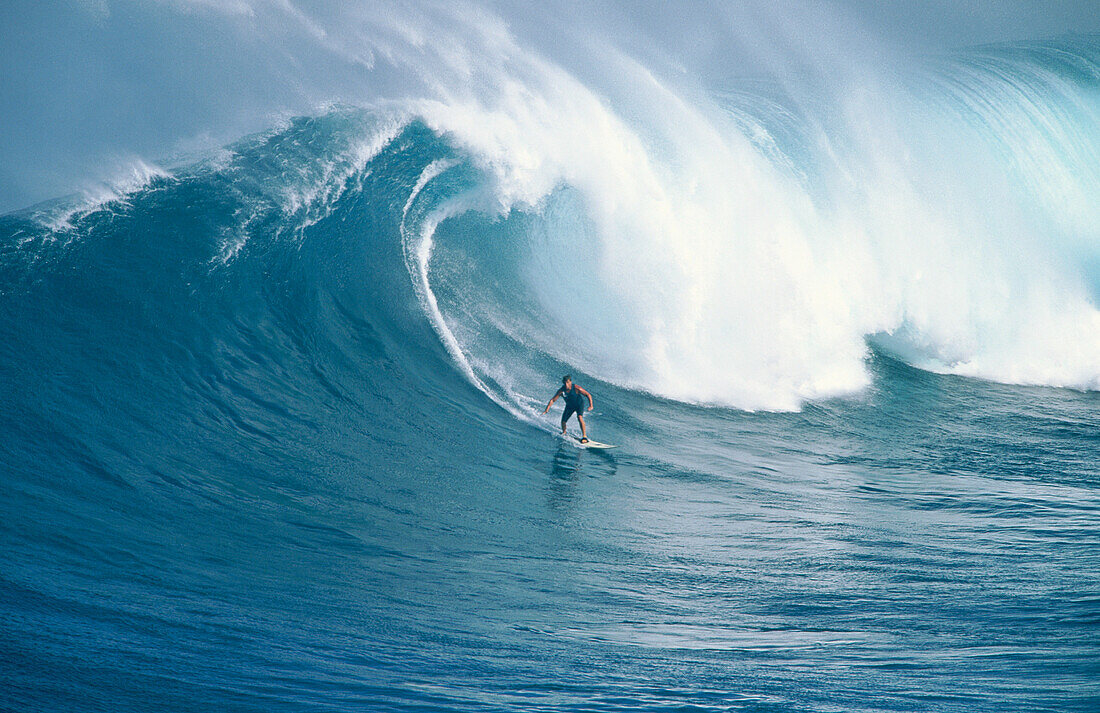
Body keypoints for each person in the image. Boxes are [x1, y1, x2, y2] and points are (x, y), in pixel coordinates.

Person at [543, 374, 593, 443]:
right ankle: (564, 433)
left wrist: (591, 405)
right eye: (565, 383)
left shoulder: (576, 388)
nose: (566, 384)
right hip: (569, 406)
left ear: (570, 382)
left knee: (579, 417)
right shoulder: (561, 391)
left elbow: (588, 395)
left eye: (568, 382)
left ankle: (584, 437)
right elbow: (552, 400)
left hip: (579, 404)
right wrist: (547, 409)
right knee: (563, 421)